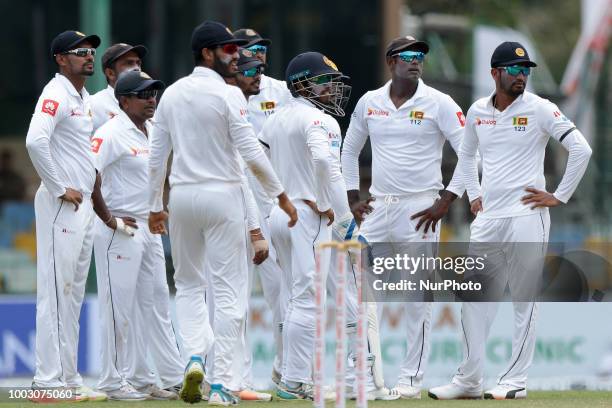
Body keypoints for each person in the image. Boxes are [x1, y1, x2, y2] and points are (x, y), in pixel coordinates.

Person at [428, 41, 592, 400]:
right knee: (472, 298)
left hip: (527, 217)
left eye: (526, 70)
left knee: (523, 300)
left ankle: (514, 381)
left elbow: (582, 148)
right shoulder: (476, 112)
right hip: (488, 220)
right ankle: (468, 380)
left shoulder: (540, 109)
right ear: (495, 73)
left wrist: (559, 196)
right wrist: (475, 195)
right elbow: (466, 156)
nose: (522, 76)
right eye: (514, 70)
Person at [147, 20, 297, 405]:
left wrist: (154, 207)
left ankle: (195, 356)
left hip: (182, 197)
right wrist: (279, 195)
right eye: (228, 50)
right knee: (231, 291)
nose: (237, 57)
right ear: (206, 53)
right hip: (224, 195)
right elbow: (251, 153)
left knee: (190, 284)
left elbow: (156, 157)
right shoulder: (229, 96)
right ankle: (222, 382)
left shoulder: (173, 93)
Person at [341, 36, 467, 399]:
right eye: (408, 57)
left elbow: (469, 153)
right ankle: (363, 374)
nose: (416, 62)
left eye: (420, 57)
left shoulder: (439, 103)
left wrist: (446, 200)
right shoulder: (370, 101)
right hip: (379, 206)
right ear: (390, 62)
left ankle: (411, 378)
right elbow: (349, 152)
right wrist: (353, 197)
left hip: (421, 208)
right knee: (359, 288)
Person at [259, 51, 350, 400]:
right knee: (309, 299)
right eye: (323, 81)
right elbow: (326, 163)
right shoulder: (320, 122)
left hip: (280, 214)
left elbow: (258, 165)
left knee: (293, 296)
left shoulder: (275, 119)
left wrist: (277, 198)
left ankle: (292, 375)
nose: (330, 88)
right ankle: (294, 380)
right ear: (301, 84)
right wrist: (333, 210)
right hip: (307, 216)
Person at [25, 29, 107, 401]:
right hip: (62, 203)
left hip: (82, 205)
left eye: (91, 51)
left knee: (71, 295)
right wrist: (59, 187)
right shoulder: (55, 92)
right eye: (79, 51)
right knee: (56, 294)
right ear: (60, 58)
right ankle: (47, 382)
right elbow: (34, 140)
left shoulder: (83, 96)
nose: (89, 56)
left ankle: (69, 378)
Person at [91, 70, 183, 401]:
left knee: (157, 301)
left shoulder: (154, 131)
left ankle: (155, 378)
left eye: (154, 94)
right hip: (121, 229)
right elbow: (89, 173)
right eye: (143, 95)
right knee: (119, 308)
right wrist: (108, 217)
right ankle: (111, 381)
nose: (151, 100)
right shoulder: (111, 132)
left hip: (150, 227)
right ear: (123, 100)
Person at [232, 29, 293, 387]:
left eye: (263, 49)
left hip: (271, 205)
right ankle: (231, 375)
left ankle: (285, 370)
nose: (259, 55)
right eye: (252, 49)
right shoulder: (226, 92)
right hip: (232, 202)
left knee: (279, 294)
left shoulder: (280, 91)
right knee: (231, 296)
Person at [90, 43, 147, 132]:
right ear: (110, 73)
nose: (136, 68)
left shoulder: (147, 101)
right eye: (129, 63)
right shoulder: (94, 104)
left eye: (138, 63)